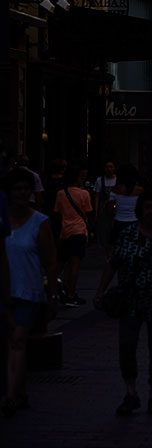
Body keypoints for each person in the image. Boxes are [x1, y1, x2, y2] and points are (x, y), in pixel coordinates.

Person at [94, 189, 152, 417]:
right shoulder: (127, 235)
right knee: (127, 346)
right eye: (148, 207)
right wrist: (100, 291)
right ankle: (131, 392)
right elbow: (113, 263)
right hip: (130, 299)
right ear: (140, 210)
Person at [2, 168, 57, 418]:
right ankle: (21, 391)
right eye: (18, 188)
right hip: (4, 290)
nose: (23, 193)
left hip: (28, 291)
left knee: (17, 341)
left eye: (27, 188)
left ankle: (11, 396)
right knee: (11, 342)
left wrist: (52, 294)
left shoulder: (40, 222)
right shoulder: (1, 220)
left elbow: (50, 261)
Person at [53, 164, 93, 307]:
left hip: (65, 231)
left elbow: (57, 213)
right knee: (75, 263)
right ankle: (71, 293)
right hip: (79, 230)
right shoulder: (84, 194)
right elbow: (88, 212)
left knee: (61, 263)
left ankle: (52, 289)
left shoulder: (60, 193)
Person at [109, 164, 144, 246]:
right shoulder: (140, 190)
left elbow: (110, 210)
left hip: (119, 222)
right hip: (135, 222)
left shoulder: (115, 190)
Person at [92, 161, 117, 249]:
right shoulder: (100, 180)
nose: (109, 169)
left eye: (111, 167)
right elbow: (97, 196)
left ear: (114, 168)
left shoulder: (117, 180)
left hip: (115, 206)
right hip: (103, 206)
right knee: (103, 226)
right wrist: (96, 210)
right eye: (107, 167)